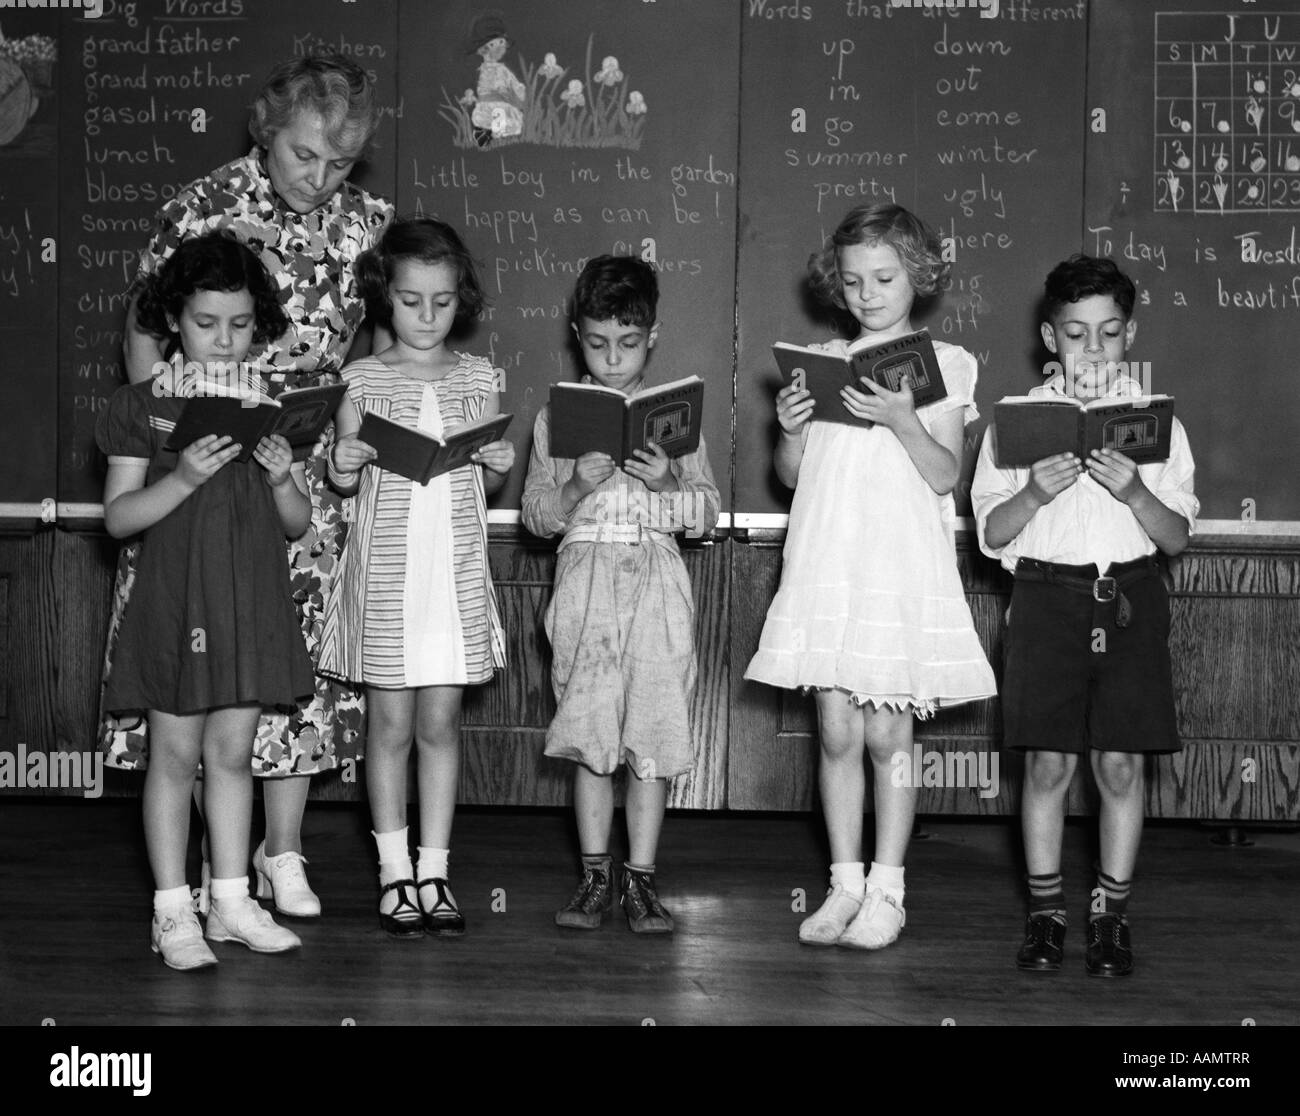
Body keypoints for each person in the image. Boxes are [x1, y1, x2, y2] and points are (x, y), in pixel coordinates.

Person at [103, 53, 395, 917]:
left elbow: (372, 353)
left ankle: (282, 854)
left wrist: (345, 440)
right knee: (196, 674)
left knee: (284, 660)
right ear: (267, 132)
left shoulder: (369, 223)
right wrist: (164, 443)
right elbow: (144, 328)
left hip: (294, 468)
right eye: (304, 155)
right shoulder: (201, 207)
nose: (320, 176)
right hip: (191, 474)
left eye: (339, 163)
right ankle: (195, 875)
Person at [745, 203, 997, 950]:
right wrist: (789, 432)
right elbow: (792, 479)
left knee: (890, 734)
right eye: (853, 281)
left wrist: (902, 417)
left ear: (918, 275)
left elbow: (946, 474)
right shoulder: (822, 359)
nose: (868, 293)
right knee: (835, 730)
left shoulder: (946, 365)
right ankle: (843, 883)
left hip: (896, 570)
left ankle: (889, 888)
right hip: (829, 563)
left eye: (884, 277)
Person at [971, 254, 1197, 977]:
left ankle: (1111, 913)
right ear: (1050, 337)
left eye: (1107, 334)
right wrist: (1034, 492)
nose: (1092, 352)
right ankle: (1045, 913)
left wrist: (1135, 493)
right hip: (1045, 599)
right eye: (1075, 334)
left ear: (1129, 334)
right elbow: (992, 533)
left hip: (1129, 599)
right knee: (1046, 765)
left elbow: (1176, 535)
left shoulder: (1159, 426)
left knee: (1121, 766)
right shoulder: (1017, 424)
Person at [98, 232, 310, 970]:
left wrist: (285, 477)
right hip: (172, 603)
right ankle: (171, 910)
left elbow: (296, 523)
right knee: (174, 756)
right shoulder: (141, 407)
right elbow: (119, 516)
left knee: (232, 756)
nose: (225, 339)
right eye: (206, 323)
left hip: (246, 600)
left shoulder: (269, 405)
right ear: (175, 322)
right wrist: (182, 476)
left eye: (241, 324)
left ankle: (229, 900)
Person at [318, 218, 514, 938]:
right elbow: (344, 478)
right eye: (410, 301)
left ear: (460, 299)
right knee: (391, 725)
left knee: (440, 723)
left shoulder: (478, 377)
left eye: (441, 301)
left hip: (452, 575)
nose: (427, 316)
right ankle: (394, 873)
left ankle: (436, 871)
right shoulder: (361, 379)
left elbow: (487, 487)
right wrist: (342, 464)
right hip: (391, 578)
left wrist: (498, 466)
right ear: (384, 299)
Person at [521, 255, 720, 934]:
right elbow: (536, 517)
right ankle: (593, 878)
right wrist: (575, 485)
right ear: (579, 334)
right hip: (585, 589)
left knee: (652, 736)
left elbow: (707, 514)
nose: (613, 359)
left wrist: (669, 484)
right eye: (599, 344)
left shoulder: (675, 420)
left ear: (653, 337)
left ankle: (640, 881)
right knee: (589, 737)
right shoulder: (557, 419)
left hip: (657, 588)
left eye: (629, 344)